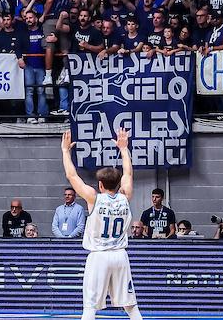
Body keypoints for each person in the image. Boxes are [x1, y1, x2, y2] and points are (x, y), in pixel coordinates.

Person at [62, 128, 143, 320]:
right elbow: (129, 174)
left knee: (90, 307)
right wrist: (124, 149)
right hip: (120, 256)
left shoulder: (94, 198)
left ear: (100, 185)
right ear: (118, 184)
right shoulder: (125, 196)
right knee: (131, 306)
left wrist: (65, 152)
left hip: (99, 256)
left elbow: (72, 176)